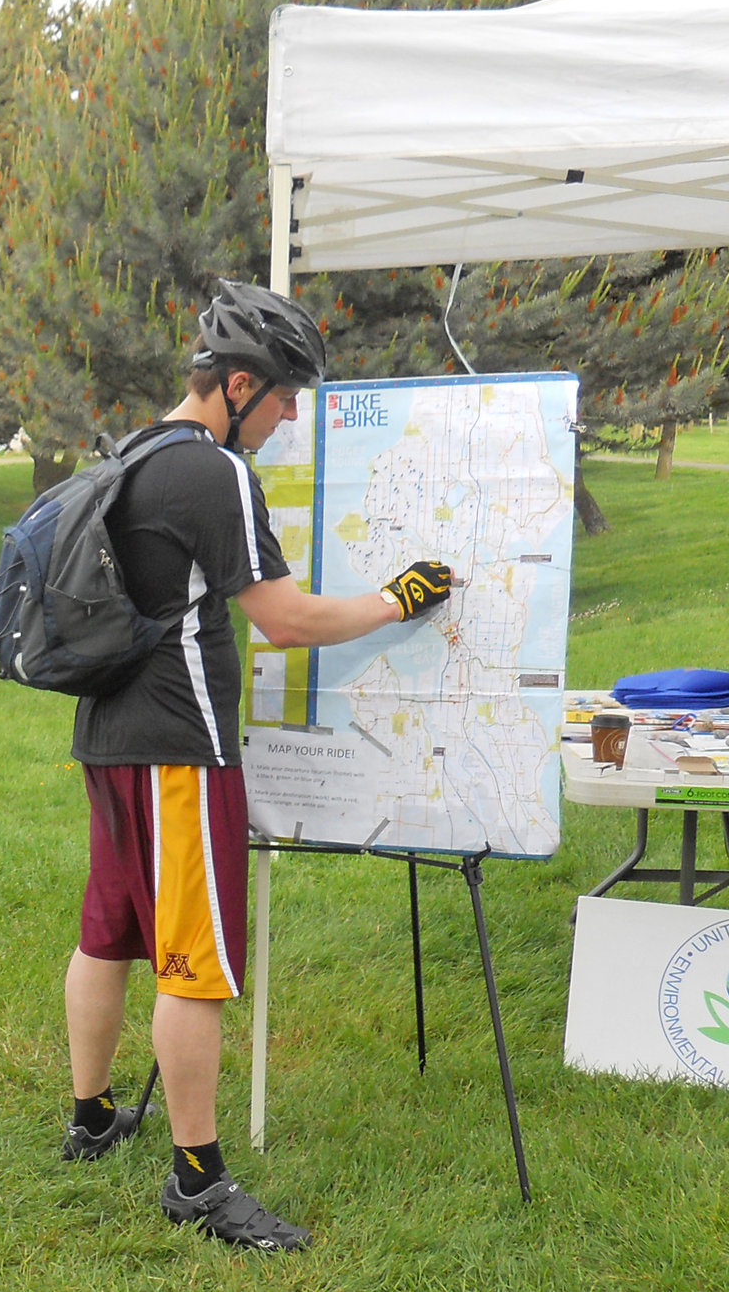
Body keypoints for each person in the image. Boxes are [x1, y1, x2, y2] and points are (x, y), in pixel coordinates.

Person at [61, 279, 451, 1252]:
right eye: (282, 398)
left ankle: (92, 1113)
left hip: (107, 736)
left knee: (107, 931)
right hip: (179, 748)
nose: (285, 418)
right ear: (238, 383)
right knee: (194, 965)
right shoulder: (214, 472)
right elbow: (285, 617)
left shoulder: (133, 452)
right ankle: (197, 1180)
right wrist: (397, 599)